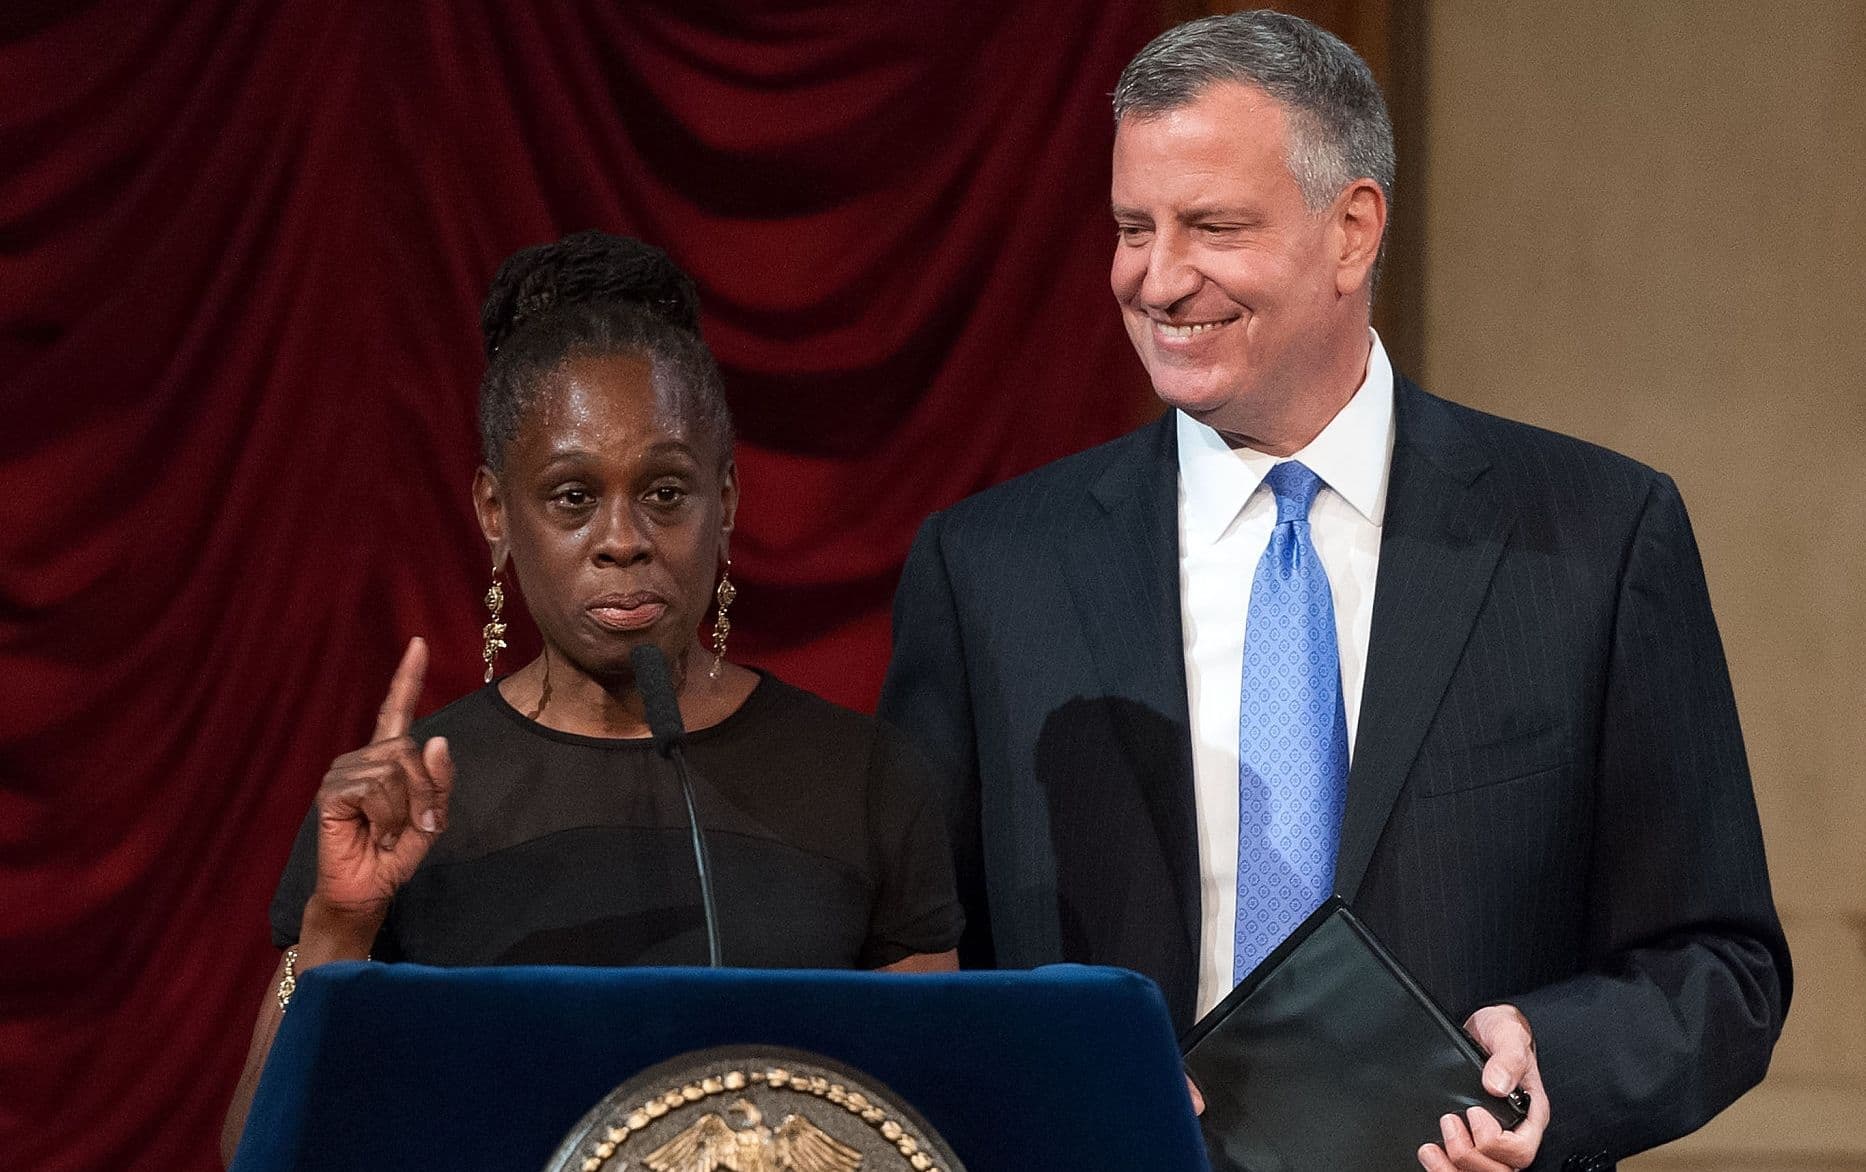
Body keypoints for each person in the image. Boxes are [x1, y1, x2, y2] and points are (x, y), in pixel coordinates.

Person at [877, 12, 1787, 1172]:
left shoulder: (1597, 535)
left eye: (1212, 226)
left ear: (1352, 229)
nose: (1156, 279)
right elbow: (913, 968)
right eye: (1130, 228)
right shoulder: (988, 567)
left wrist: (1550, 1057)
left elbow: (1721, 963)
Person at [221, 232, 961, 1165]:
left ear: (725, 500)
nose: (624, 540)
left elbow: (928, 1131)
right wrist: (341, 927)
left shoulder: (865, 780)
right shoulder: (406, 806)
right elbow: (260, 1151)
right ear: (496, 512)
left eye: (665, 492)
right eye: (572, 497)